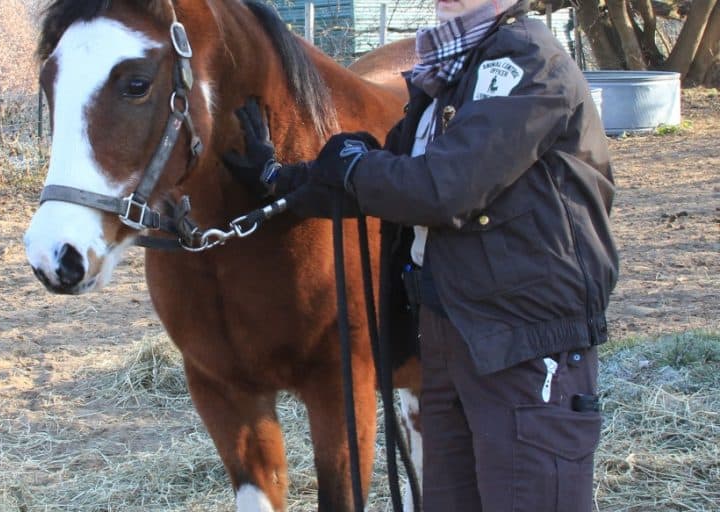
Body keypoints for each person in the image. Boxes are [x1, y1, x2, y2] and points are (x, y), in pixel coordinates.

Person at [223, 0, 618, 509]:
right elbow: (388, 175)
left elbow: (446, 187)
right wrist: (279, 181)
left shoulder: (527, 64)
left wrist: (353, 170)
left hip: (523, 338)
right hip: (455, 331)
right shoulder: (453, 73)